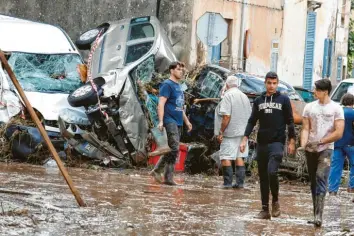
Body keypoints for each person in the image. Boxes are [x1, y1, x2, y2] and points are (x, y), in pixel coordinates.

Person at [240, 71, 296, 219]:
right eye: (269, 83)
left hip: (277, 142)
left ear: (277, 84)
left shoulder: (284, 99)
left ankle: (275, 200)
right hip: (262, 143)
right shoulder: (259, 100)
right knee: (263, 176)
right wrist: (245, 137)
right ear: (265, 83)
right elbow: (252, 120)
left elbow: (290, 121)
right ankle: (264, 209)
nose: (271, 86)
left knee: (272, 172)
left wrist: (292, 140)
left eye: (274, 83)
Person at [299, 79, 344, 227]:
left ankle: (319, 216)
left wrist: (321, 141)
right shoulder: (309, 107)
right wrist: (303, 144)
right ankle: (315, 213)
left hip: (326, 148)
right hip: (310, 148)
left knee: (320, 177)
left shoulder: (336, 109)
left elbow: (339, 132)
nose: (314, 92)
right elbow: (305, 128)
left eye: (316, 90)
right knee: (313, 181)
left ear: (325, 91)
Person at [149, 61, 192, 185]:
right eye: (178, 69)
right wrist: (161, 121)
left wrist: (187, 121)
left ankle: (162, 174)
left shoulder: (179, 86)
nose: (181, 71)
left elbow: (180, 106)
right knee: (174, 148)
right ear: (171, 70)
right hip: (169, 120)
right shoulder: (167, 85)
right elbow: (161, 103)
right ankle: (163, 174)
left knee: (172, 149)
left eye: (181, 70)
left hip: (178, 120)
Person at [214, 75, 251, 188]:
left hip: (230, 133)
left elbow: (226, 116)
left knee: (226, 157)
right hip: (243, 133)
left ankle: (227, 184)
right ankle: (240, 184)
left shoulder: (228, 96)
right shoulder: (244, 96)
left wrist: (221, 132)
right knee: (239, 157)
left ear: (227, 85)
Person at [328, 93, 354, 195]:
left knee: (335, 167)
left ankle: (332, 190)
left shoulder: (337, 113)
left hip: (337, 144)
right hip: (351, 144)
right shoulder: (353, 113)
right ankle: (352, 188)